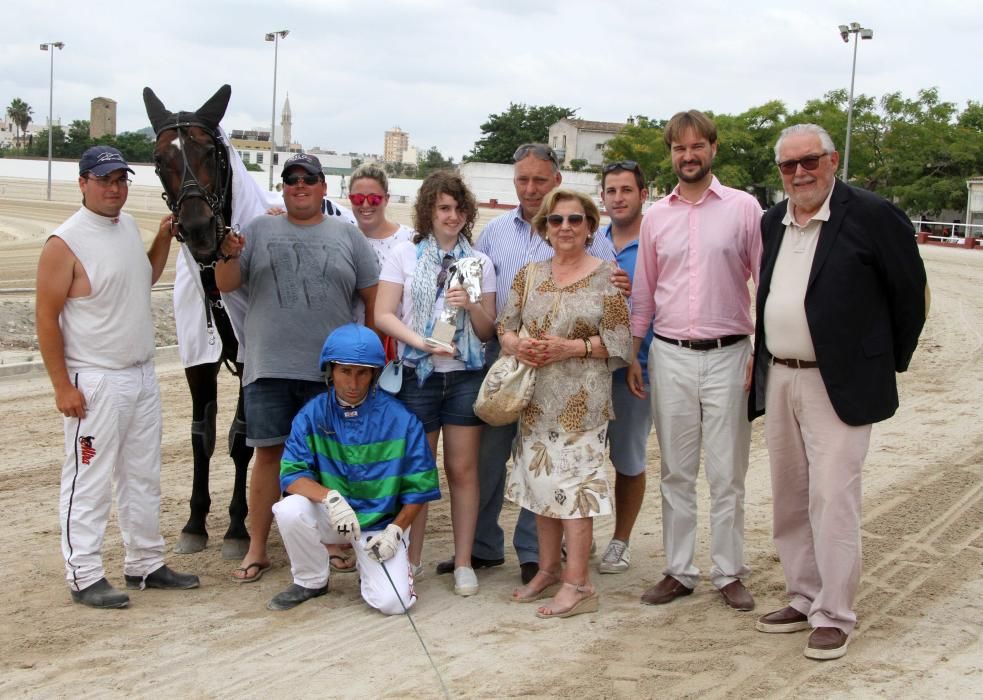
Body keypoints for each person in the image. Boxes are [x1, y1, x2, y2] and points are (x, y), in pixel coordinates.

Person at [749, 124, 927, 660]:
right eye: (788, 166)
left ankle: (835, 614)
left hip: (839, 382)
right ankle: (803, 595)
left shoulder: (871, 214)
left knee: (833, 497)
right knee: (790, 495)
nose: (800, 173)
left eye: (810, 161)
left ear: (832, 161)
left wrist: (881, 362)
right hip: (781, 373)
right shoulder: (773, 221)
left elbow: (908, 296)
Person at [441, 143, 622, 586]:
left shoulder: (597, 252)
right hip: (506, 364)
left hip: (573, 385)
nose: (530, 187)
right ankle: (483, 547)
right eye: (523, 179)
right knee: (496, 460)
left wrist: (569, 348)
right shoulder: (494, 234)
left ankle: (532, 556)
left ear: (556, 180)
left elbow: (618, 321)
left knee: (549, 468)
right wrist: (508, 341)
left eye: (540, 179)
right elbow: (483, 295)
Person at [36, 145, 199, 609]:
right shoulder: (64, 242)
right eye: (105, 180)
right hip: (96, 380)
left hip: (141, 374)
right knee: (89, 477)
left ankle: (145, 562)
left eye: (121, 180)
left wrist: (163, 239)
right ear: (83, 182)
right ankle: (83, 572)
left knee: (143, 474)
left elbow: (139, 278)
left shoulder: (126, 226)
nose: (115, 189)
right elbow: (46, 319)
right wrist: (62, 386)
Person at [215, 152, 380, 584]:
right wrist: (227, 254)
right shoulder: (257, 230)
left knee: (332, 460)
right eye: (291, 179)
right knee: (268, 455)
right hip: (268, 366)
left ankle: (335, 542)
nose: (300, 185)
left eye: (309, 178)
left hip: (330, 373)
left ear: (325, 188)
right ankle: (258, 548)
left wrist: (369, 357)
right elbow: (226, 284)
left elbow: (372, 297)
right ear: (283, 187)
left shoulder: (348, 236)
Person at [628, 110, 762, 612]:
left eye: (697, 146)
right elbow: (644, 288)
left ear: (712, 149)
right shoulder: (657, 216)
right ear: (671, 154)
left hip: (730, 354)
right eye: (679, 148)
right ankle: (679, 570)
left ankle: (728, 572)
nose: (688, 155)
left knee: (727, 472)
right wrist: (636, 351)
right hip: (670, 356)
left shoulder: (744, 209)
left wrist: (760, 351)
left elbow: (763, 281)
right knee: (677, 472)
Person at [500, 188, 632, 618]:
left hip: (582, 405)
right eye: (556, 221)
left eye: (575, 220)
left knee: (575, 494)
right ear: (544, 228)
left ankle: (579, 583)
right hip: (535, 402)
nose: (566, 228)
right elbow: (505, 326)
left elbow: (620, 342)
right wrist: (519, 346)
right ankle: (549, 569)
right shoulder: (529, 274)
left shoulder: (606, 276)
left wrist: (571, 348)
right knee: (541, 490)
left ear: (591, 226)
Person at [376, 171, 497, 596]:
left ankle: (463, 562)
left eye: (459, 208)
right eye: (444, 207)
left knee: (462, 470)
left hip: (463, 376)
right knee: (418, 471)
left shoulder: (477, 263)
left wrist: (475, 303)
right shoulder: (405, 255)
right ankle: (410, 559)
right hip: (416, 375)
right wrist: (419, 342)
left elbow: (486, 331)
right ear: (429, 210)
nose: (452, 215)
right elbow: (383, 314)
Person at [268, 324, 440, 612]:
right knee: (288, 509)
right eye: (345, 371)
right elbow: (291, 475)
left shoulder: (402, 420)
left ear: (374, 374)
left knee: (394, 604)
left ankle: (370, 568)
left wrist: (396, 530)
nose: (353, 382)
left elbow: (419, 489)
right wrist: (330, 499)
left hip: (381, 528)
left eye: (362, 372)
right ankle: (311, 581)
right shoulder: (311, 415)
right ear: (330, 371)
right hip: (336, 516)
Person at [597, 160, 653, 574]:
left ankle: (621, 539)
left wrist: (636, 295)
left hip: (637, 368)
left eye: (626, 190)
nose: (618, 198)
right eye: (611, 190)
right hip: (588, 366)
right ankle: (568, 536)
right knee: (578, 454)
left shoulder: (656, 242)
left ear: (642, 194)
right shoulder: (590, 240)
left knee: (628, 458)